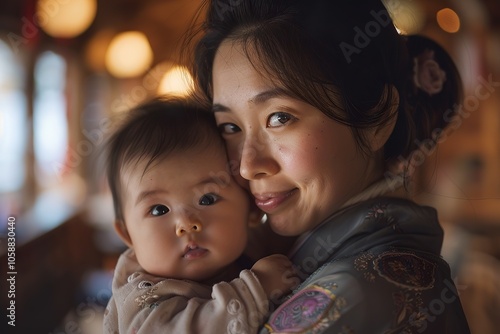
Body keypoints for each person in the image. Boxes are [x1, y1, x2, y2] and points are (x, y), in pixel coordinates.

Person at [191, 0, 471, 332]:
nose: (248, 166)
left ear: (376, 121)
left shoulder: (353, 295)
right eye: (230, 127)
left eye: (280, 118)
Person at [102, 97, 299, 333]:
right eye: (159, 210)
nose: (186, 224)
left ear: (251, 210)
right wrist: (254, 290)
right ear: (128, 235)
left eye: (207, 199)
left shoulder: (241, 246)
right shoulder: (143, 298)